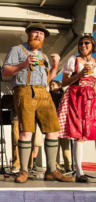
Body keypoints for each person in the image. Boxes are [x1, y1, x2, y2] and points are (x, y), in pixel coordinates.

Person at [2, 22, 74, 183]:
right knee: (26, 131)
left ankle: (51, 170)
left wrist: (55, 66)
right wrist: (24, 64)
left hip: (44, 92)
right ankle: (24, 170)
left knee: (52, 131)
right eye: (35, 33)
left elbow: (47, 80)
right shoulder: (17, 50)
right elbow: (6, 71)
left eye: (41, 34)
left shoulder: (44, 56)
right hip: (24, 91)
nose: (38, 35)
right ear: (28, 35)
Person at [57, 34, 96, 183]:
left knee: (94, 132)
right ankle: (79, 171)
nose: (83, 45)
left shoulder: (95, 62)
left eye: (87, 43)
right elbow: (63, 83)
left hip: (91, 99)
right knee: (78, 135)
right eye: (81, 43)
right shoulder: (73, 60)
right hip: (76, 97)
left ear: (92, 45)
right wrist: (79, 74)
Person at [49, 80, 72, 173]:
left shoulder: (64, 96)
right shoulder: (49, 96)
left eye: (53, 85)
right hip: (53, 123)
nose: (51, 86)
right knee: (55, 146)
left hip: (63, 124)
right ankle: (55, 166)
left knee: (65, 146)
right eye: (50, 85)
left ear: (59, 85)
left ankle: (68, 166)